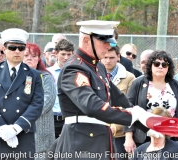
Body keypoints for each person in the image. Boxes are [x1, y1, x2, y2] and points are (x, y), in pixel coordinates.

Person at [46, 20, 157, 160]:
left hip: (101, 141)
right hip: (81, 144)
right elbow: (92, 106)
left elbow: (119, 99)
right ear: (87, 40)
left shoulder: (99, 67)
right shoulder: (74, 68)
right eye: (104, 41)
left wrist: (148, 124)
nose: (109, 45)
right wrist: (131, 115)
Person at [124, 50, 178, 153]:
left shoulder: (176, 86)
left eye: (164, 64)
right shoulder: (138, 84)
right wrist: (128, 138)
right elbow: (129, 111)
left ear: (168, 67)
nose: (160, 67)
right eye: (157, 64)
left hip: (170, 137)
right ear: (151, 65)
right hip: (144, 137)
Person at [0, 28, 44, 159]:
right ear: (4, 48)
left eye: (21, 48)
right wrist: (1, 127)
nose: (17, 51)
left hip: (23, 133)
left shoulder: (34, 75)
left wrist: (16, 128)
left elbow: (37, 103)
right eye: (12, 47)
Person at [101, 45, 135, 160]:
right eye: (105, 57)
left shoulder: (129, 78)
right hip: (98, 131)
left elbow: (130, 107)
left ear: (118, 57)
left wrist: (115, 127)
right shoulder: (95, 76)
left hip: (119, 135)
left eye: (111, 57)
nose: (108, 61)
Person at [23, 42, 56, 159]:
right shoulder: (14, 77)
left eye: (33, 56)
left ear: (38, 59)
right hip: (20, 130)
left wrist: (28, 115)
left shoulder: (46, 77)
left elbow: (49, 100)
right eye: (26, 55)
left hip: (42, 130)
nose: (29, 59)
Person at [47, 38, 74, 138]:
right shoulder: (48, 73)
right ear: (56, 53)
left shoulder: (77, 73)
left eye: (69, 54)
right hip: (52, 119)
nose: (66, 57)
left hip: (70, 119)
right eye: (63, 54)